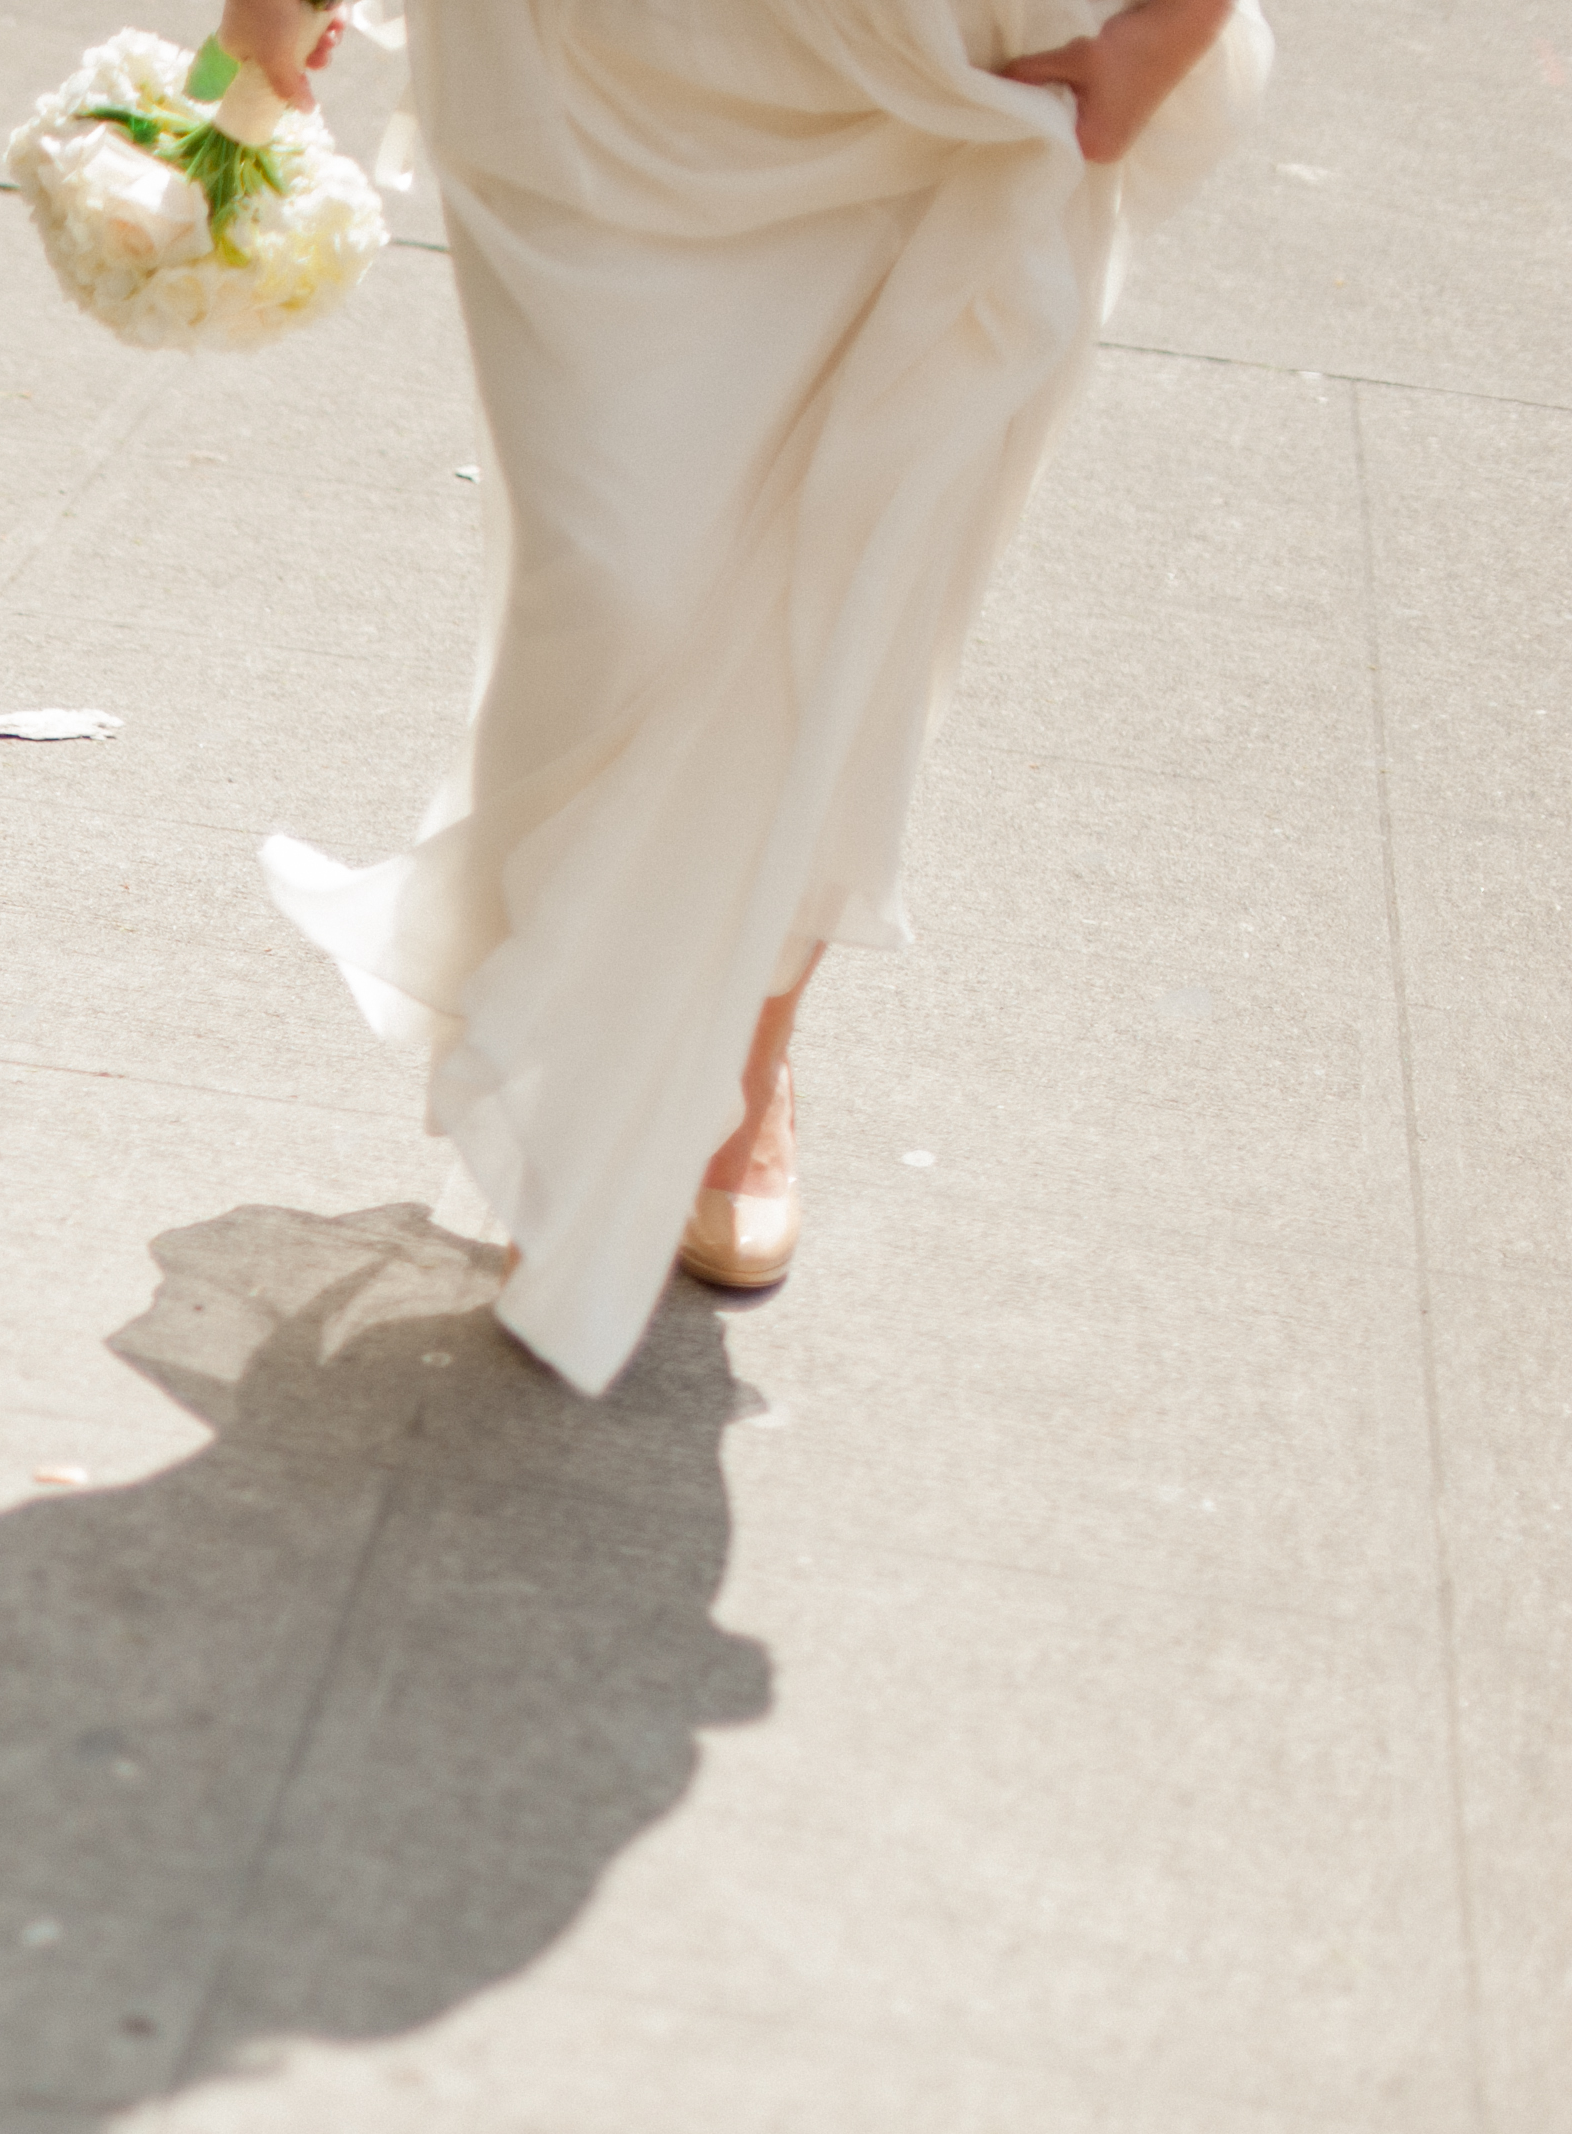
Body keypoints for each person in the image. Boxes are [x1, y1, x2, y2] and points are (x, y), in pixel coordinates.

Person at [232, 0, 1267, 1392]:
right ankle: (617, 1075)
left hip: (936, 57)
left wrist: (1170, 30)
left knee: (849, 558)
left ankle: (721, 1058)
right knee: (608, 586)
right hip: (595, 62)